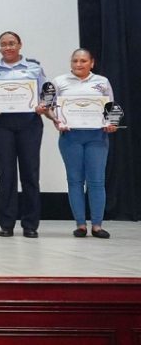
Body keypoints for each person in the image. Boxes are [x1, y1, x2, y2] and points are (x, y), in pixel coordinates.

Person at [0, 31, 47, 238]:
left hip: (29, 123)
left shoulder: (34, 68)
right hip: (1, 124)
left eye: (12, 43)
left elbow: (46, 95)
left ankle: (30, 224)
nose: (8, 47)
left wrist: (42, 105)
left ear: (20, 45)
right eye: (3, 44)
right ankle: (7, 224)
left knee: (30, 174)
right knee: (6, 174)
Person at [50, 48, 117, 238]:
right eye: (75, 61)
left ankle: (97, 225)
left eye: (83, 61)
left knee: (96, 181)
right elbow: (48, 107)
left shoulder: (102, 82)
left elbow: (110, 107)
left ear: (92, 63)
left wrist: (111, 123)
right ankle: (80, 224)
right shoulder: (59, 82)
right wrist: (56, 119)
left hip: (97, 137)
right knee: (75, 180)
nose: (78, 64)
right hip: (71, 137)